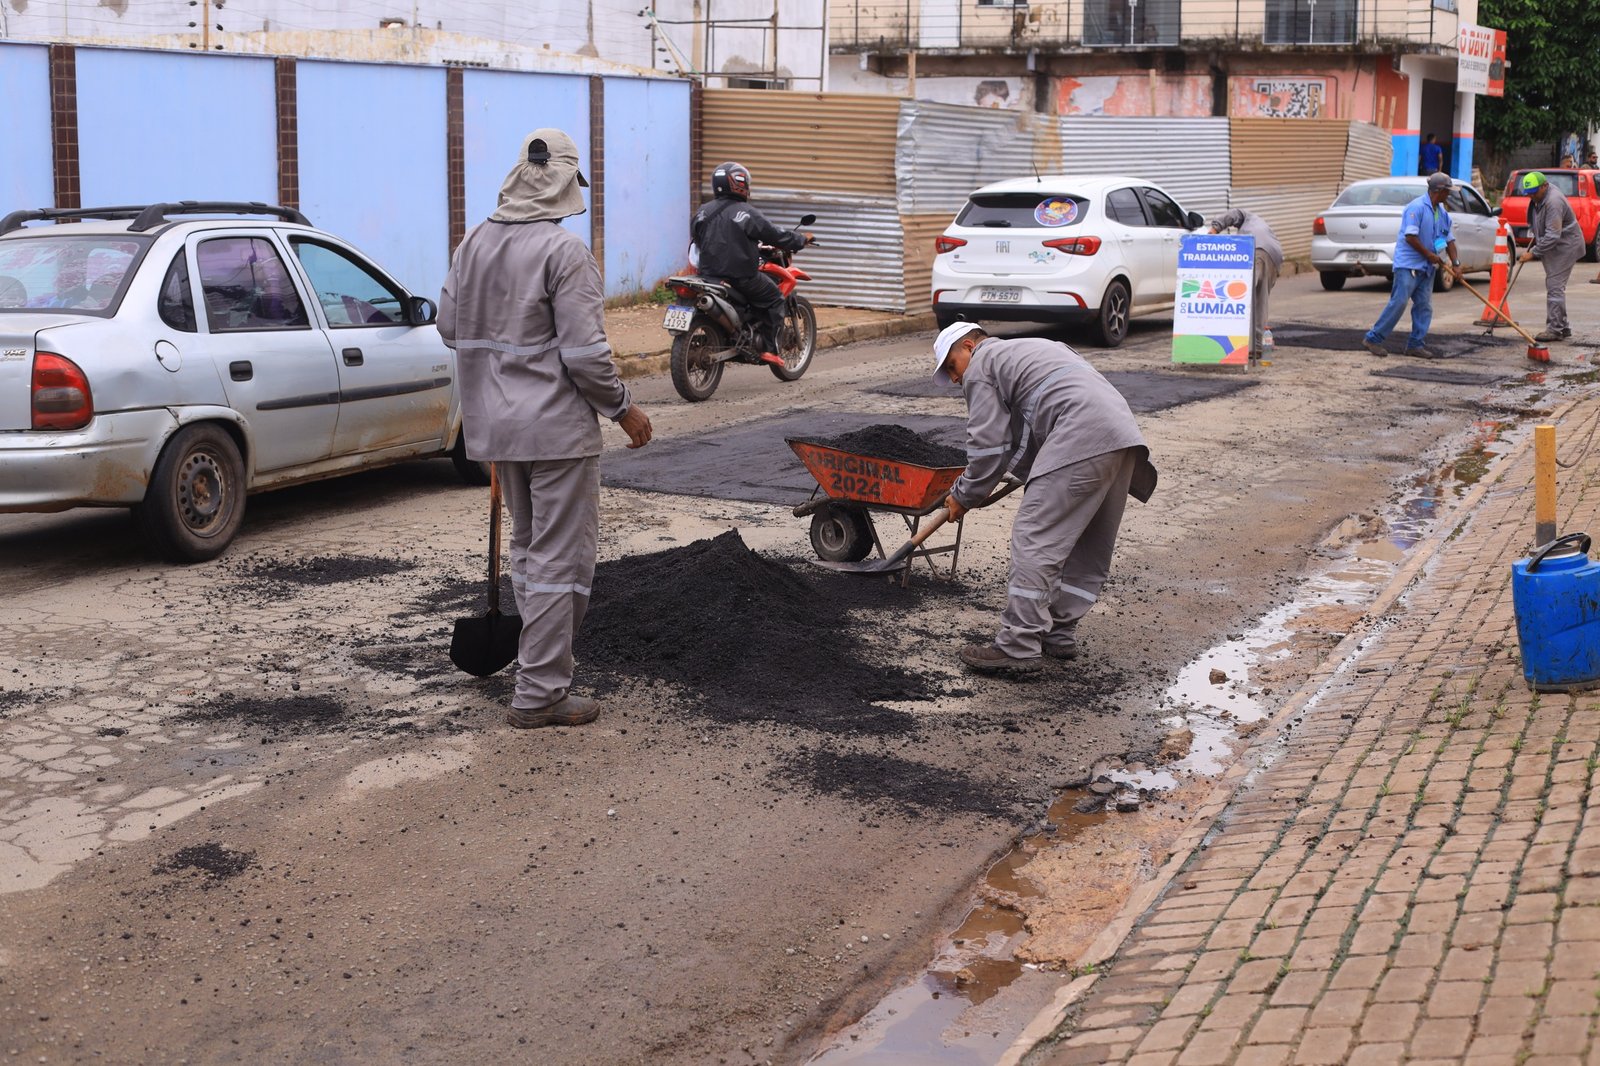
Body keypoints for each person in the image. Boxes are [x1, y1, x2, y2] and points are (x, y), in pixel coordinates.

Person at [439, 128, 653, 729]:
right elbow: (586, 357)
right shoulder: (564, 253)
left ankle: (536, 669)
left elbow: (449, 326)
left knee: (529, 552)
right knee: (561, 559)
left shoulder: (474, 242)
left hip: (496, 430)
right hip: (557, 434)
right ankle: (539, 693)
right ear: (564, 184)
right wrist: (624, 409)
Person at [931, 322, 1157, 675]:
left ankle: (1018, 645)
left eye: (952, 366)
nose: (956, 378)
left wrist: (963, 494)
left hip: (1081, 432)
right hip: (1122, 436)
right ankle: (1058, 632)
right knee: (1087, 542)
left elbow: (989, 448)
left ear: (970, 346)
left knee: (1035, 537)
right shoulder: (1032, 349)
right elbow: (1024, 432)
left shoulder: (982, 365)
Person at [691, 161, 810, 367]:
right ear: (740, 184)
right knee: (774, 298)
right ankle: (769, 349)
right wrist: (800, 240)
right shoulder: (746, 212)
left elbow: (698, 238)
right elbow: (774, 234)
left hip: (708, 275)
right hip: (741, 277)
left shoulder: (703, 211)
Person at [1363, 172, 1459, 359]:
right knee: (1399, 302)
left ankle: (1415, 344)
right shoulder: (1416, 208)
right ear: (1438, 191)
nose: (1449, 195)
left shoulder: (1443, 214)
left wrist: (1456, 264)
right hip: (1408, 266)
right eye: (1447, 192)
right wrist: (1429, 254)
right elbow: (1410, 237)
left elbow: (1450, 241)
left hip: (1427, 268)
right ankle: (1373, 338)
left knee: (1424, 306)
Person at [1206, 207, 1283, 360]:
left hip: (1254, 250)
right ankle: (1258, 346)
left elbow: (1235, 213)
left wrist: (1214, 229)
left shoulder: (1246, 217)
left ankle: (1231, 345)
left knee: (1241, 299)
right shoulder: (1263, 226)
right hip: (1275, 257)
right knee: (1260, 301)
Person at [1517, 171, 1585, 341]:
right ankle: (1563, 326)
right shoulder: (1539, 197)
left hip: (1565, 247)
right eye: (1529, 193)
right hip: (1555, 246)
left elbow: (1553, 235)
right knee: (1554, 285)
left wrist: (1533, 253)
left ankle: (1555, 329)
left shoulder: (1553, 201)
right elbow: (1540, 221)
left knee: (1555, 286)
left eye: (1534, 192)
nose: (1531, 196)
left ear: (1544, 186)